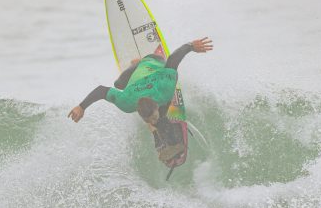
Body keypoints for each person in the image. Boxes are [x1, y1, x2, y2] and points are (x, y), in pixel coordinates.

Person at [68, 37, 213, 162]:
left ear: (156, 105)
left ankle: (164, 132)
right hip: (140, 71)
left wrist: (191, 46)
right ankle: (135, 64)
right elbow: (101, 90)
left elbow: (173, 60)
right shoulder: (126, 101)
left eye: (153, 117)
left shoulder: (164, 88)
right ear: (138, 111)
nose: (152, 120)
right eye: (149, 120)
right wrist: (81, 106)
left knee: (162, 116)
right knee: (118, 84)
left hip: (154, 61)